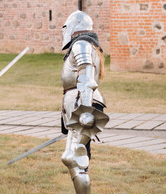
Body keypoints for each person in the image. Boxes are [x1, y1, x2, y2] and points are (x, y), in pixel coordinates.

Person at [60, 10, 109, 194]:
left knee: (76, 158)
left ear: (74, 28)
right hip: (79, 107)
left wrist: (85, 111)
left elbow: (87, 78)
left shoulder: (80, 44)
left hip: (84, 107)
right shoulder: (86, 44)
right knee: (70, 157)